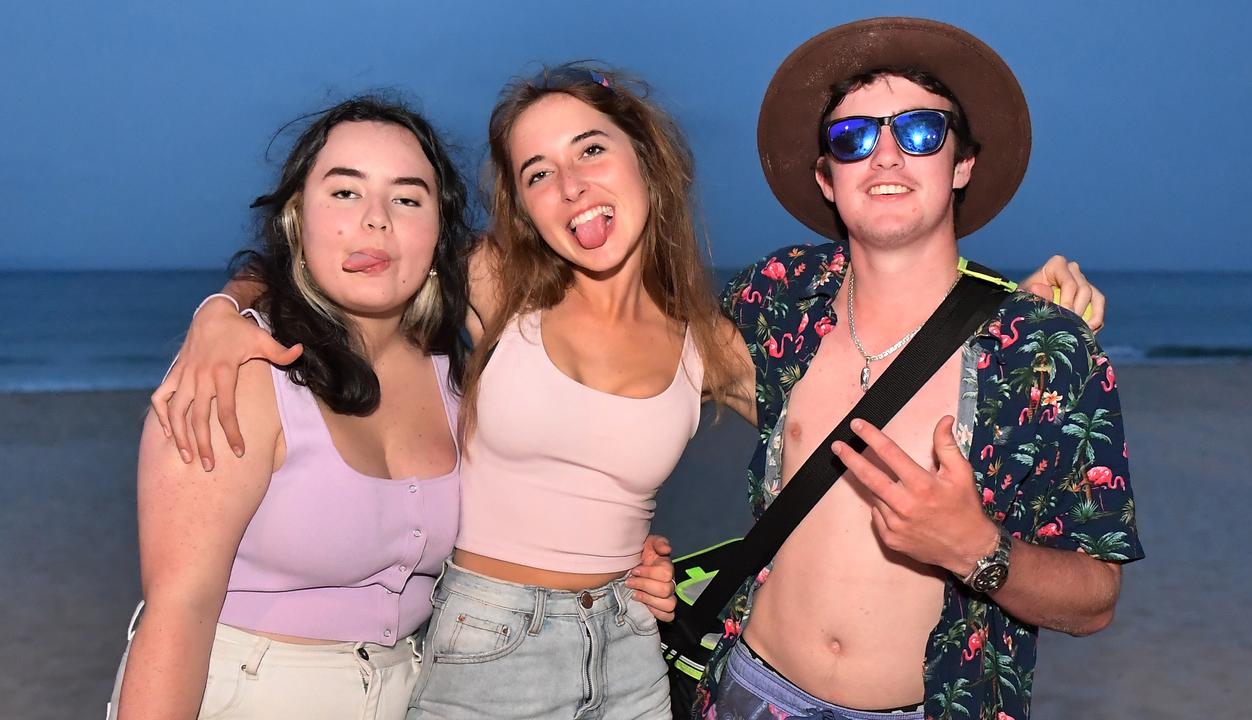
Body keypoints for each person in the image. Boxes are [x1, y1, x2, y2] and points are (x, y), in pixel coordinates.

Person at [152, 65, 1107, 718]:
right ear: (521, 203)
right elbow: (353, 263)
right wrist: (226, 311)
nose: (571, 187)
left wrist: (995, 316)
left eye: (592, 151)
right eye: (538, 174)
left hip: (633, 646)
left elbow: (867, 379)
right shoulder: (494, 285)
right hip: (489, 638)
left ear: (645, 159)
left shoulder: (707, 335)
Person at [698, 17, 1143, 720]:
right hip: (754, 691)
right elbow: (642, 362)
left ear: (962, 162)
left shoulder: (1045, 352)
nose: (884, 156)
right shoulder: (777, 294)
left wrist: (978, 549)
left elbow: (1094, 599)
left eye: (919, 133)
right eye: (852, 139)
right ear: (825, 176)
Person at [109, 97, 474, 719]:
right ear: (296, 220)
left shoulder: (458, 384)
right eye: (344, 193)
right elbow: (177, 613)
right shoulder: (241, 375)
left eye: (408, 198)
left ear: (439, 232)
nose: (375, 221)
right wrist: (222, 308)